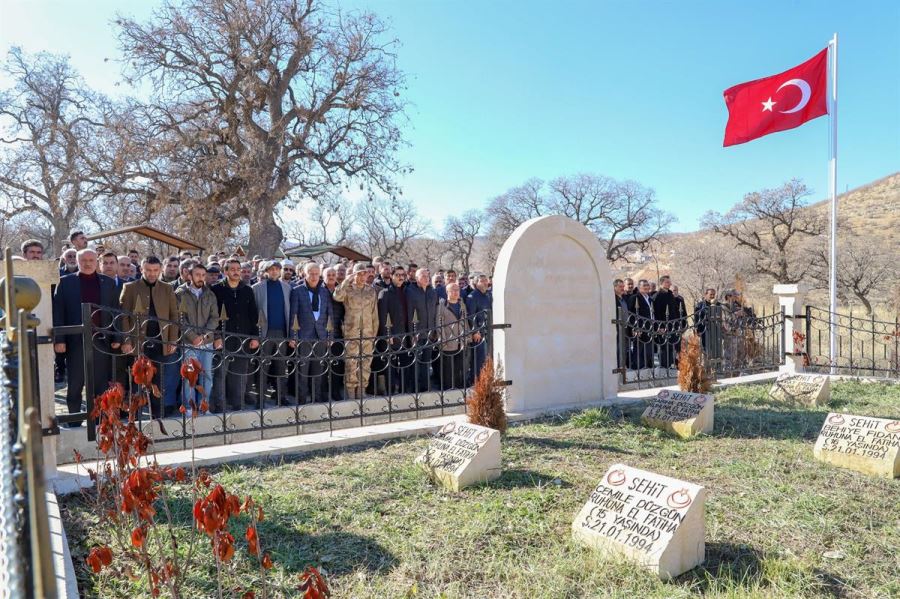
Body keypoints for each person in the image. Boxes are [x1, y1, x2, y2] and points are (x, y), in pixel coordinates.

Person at [52, 249, 121, 426]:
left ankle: (100, 422)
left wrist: (117, 337)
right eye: (84, 260)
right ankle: (74, 420)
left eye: (91, 260)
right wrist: (59, 339)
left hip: (101, 340)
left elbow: (115, 312)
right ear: (77, 260)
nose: (88, 263)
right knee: (75, 383)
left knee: (100, 384)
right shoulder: (65, 282)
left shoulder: (108, 283)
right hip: (76, 341)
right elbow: (58, 311)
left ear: (97, 261)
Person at [119, 256, 182, 417]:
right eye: (148, 270)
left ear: (160, 269)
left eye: (155, 270)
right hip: (138, 342)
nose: (152, 273)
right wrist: (126, 340)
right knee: (137, 381)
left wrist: (172, 339)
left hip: (161, 342)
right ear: (141, 269)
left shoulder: (167, 288)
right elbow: (123, 316)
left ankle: (157, 416)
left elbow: (174, 315)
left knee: (158, 381)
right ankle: (135, 415)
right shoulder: (130, 287)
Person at [212, 259, 260, 411]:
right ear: (225, 271)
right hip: (223, 337)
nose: (236, 271)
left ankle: (238, 403)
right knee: (220, 373)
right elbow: (213, 315)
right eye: (232, 269)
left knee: (240, 373)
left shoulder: (247, 290)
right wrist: (216, 336)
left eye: (238, 269)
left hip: (243, 337)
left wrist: (255, 336)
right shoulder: (216, 289)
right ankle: (220, 403)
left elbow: (254, 315)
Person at [175, 263, 219, 413]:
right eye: (197, 275)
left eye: (203, 275)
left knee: (207, 377)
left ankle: (204, 406)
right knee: (189, 377)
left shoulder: (210, 294)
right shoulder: (180, 293)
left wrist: (204, 336)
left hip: (207, 343)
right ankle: (189, 407)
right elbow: (180, 319)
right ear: (190, 276)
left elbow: (215, 318)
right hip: (189, 343)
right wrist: (193, 337)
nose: (201, 278)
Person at [290, 262, 333, 403]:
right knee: (302, 369)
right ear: (305, 274)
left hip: (320, 335)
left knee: (318, 369)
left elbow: (329, 315)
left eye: (316, 274)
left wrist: (329, 336)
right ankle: (301, 398)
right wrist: (293, 336)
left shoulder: (324, 292)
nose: (314, 277)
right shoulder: (297, 291)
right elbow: (293, 315)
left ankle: (317, 397)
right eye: (311, 274)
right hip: (304, 336)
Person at [333, 263, 378, 400]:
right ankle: (350, 390)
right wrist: (347, 280)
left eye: (364, 273)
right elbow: (337, 296)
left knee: (366, 362)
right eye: (359, 274)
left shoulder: (371, 291)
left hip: (368, 331)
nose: (363, 276)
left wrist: (374, 332)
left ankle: (362, 389)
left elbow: (374, 313)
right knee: (351, 362)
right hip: (351, 331)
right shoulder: (348, 289)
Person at [252, 261, 292, 404]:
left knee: (281, 367)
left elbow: (291, 312)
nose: (275, 271)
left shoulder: (287, 288)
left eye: (277, 269)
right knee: (263, 367)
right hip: (264, 333)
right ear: (266, 271)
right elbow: (253, 312)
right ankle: (260, 399)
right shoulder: (257, 288)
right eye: (271, 269)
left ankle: (281, 397)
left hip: (281, 333)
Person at [377, 266, 411, 393]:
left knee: (404, 365)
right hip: (391, 336)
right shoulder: (384, 293)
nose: (400, 277)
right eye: (397, 275)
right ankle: (390, 391)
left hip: (406, 335)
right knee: (390, 367)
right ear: (391, 276)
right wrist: (387, 335)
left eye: (402, 275)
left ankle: (403, 390)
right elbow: (382, 316)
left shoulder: (407, 291)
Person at [405, 268, 438, 392]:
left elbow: (435, 312)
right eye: (423, 276)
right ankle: (415, 388)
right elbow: (409, 314)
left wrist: (435, 330)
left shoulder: (432, 292)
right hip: (417, 333)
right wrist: (412, 334)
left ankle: (426, 387)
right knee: (415, 363)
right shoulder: (410, 291)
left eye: (427, 276)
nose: (426, 278)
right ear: (417, 278)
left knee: (426, 362)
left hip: (430, 333)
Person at [437, 282, 469, 389]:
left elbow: (465, 322)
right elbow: (439, 325)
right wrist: (443, 342)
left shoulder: (462, 305)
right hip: (448, 342)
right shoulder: (442, 306)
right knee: (448, 369)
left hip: (461, 342)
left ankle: (459, 387)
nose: (456, 292)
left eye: (457, 290)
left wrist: (467, 338)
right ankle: (448, 389)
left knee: (459, 367)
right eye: (453, 290)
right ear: (447, 292)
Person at [323, 266, 345, 402]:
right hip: (322, 333)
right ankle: (324, 392)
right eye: (328, 274)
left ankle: (336, 391)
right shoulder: (319, 290)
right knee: (323, 365)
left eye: (333, 274)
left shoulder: (340, 290)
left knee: (337, 365)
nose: (331, 277)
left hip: (338, 332)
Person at [465, 274, 492, 381]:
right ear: (476, 283)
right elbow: (470, 315)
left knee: (488, 357)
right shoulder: (472, 296)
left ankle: (486, 379)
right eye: (482, 281)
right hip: (478, 333)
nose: (485, 282)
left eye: (486, 280)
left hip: (489, 330)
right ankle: (476, 381)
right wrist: (475, 331)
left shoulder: (488, 295)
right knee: (479, 359)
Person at [651, 275, 678, 369]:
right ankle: (663, 366)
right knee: (663, 347)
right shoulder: (658, 296)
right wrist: (660, 326)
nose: (670, 284)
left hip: (672, 324)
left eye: (669, 282)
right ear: (661, 283)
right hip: (663, 325)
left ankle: (669, 365)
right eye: (667, 282)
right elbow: (657, 313)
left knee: (671, 346)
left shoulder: (670, 294)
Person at [628, 279, 655, 370]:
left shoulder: (650, 299)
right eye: (644, 286)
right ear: (639, 288)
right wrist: (635, 328)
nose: (647, 287)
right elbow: (630, 314)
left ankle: (648, 367)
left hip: (650, 328)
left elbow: (652, 314)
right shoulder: (634, 298)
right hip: (639, 328)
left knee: (648, 350)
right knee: (639, 350)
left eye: (647, 285)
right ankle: (638, 369)